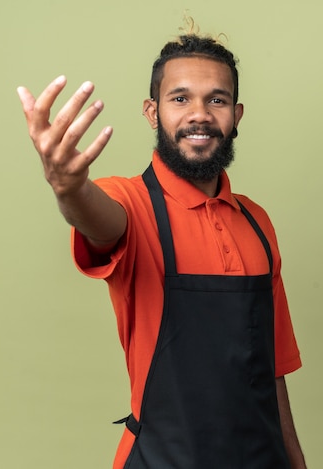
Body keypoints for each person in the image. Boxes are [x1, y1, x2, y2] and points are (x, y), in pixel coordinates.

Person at [17, 30, 307, 469]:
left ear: (236, 114)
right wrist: (69, 188)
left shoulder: (256, 223)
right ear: (152, 112)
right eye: (179, 99)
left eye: (216, 100)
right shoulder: (130, 203)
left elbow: (273, 373)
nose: (200, 115)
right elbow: (97, 218)